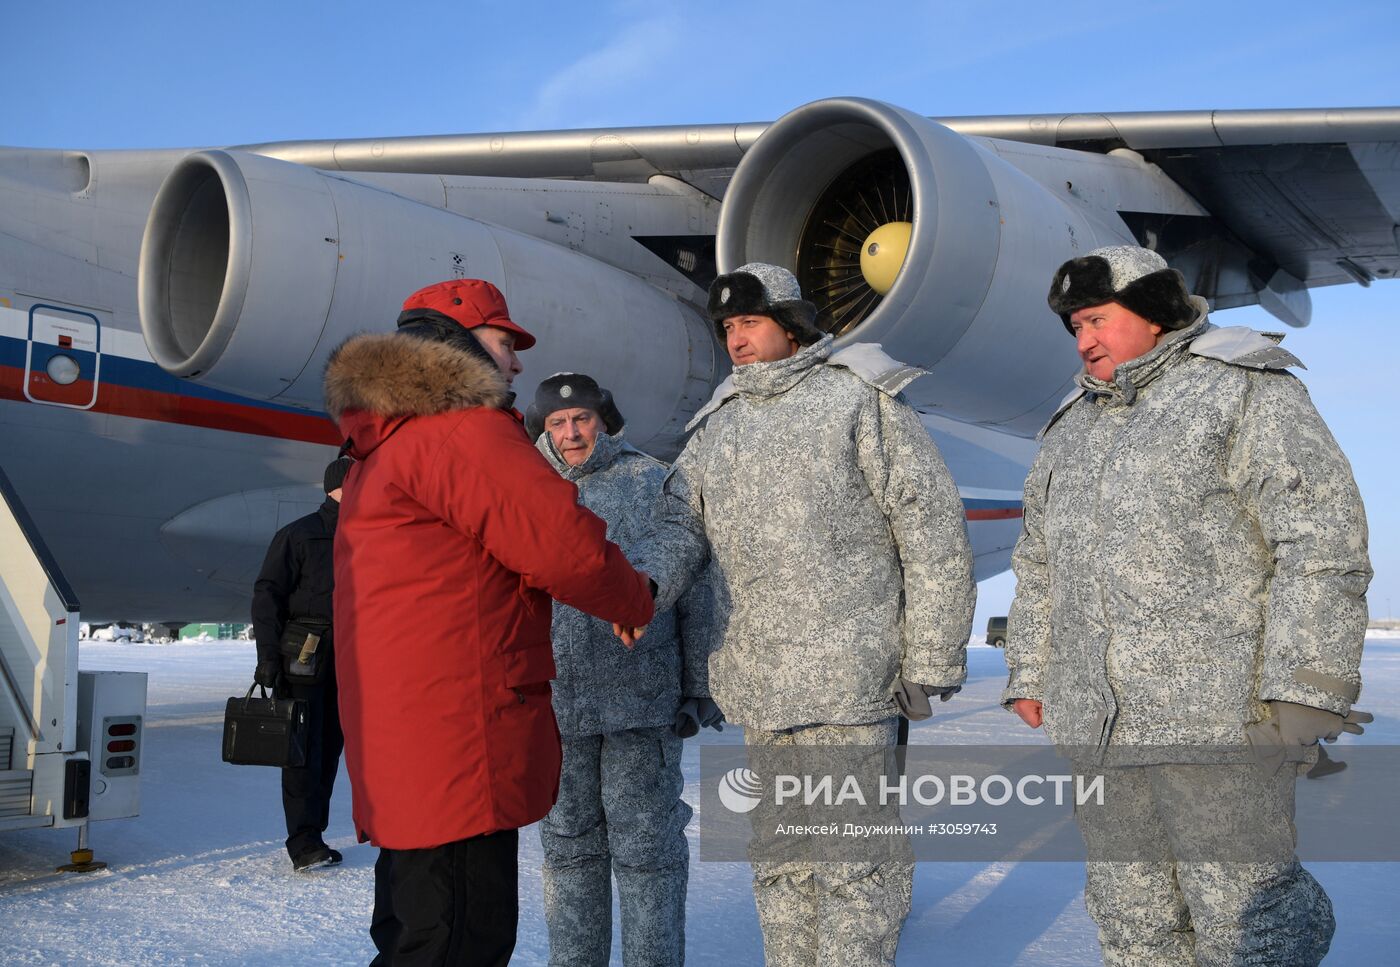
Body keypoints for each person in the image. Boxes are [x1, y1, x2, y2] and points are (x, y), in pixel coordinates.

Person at [1003, 245, 1373, 965]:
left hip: (1222, 719)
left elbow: (1320, 541)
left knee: (1245, 914)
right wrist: (1029, 668)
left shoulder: (1243, 389)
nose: (1084, 340)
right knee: (1130, 915)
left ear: (1154, 312)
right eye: (1076, 326)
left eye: (1098, 319)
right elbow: (1039, 561)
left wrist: (1309, 687)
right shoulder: (1070, 426)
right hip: (1101, 724)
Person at [636, 262, 976, 967]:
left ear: (792, 326)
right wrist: (641, 586)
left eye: (750, 323)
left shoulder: (858, 401)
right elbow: (679, 529)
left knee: (857, 861)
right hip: (763, 685)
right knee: (782, 858)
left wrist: (933, 657)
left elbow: (931, 526)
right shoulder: (717, 428)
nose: (736, 339)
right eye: (728, 327)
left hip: (850, 680)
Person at [323, 279, 657, 967]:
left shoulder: (384, 445)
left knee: (416, 928)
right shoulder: (460, 430)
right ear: (458, 345)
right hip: (458, 740)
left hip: (411, 739)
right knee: (458, 941)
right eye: (505, 342)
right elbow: (562, 544)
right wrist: (632, 598)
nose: (516, 363)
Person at [525, 373, 721, 967]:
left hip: (640, 697)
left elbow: (696, 587)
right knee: (568, 848)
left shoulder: (652, 480)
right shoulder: (523, 485)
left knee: (648, 849)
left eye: (581, 418)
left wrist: (697, 686)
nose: (570, 432)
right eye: (557, 423)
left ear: (605, 420)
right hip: (556, 703)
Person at [251, 456, 352, 871]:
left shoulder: (373, 536)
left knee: (331, 750)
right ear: (338, 487)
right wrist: (268, 657)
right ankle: (304, 841)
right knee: (303, 752)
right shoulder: (298, 535)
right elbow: (267, 595)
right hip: (305, 656)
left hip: (352, 658)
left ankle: (316, 834)